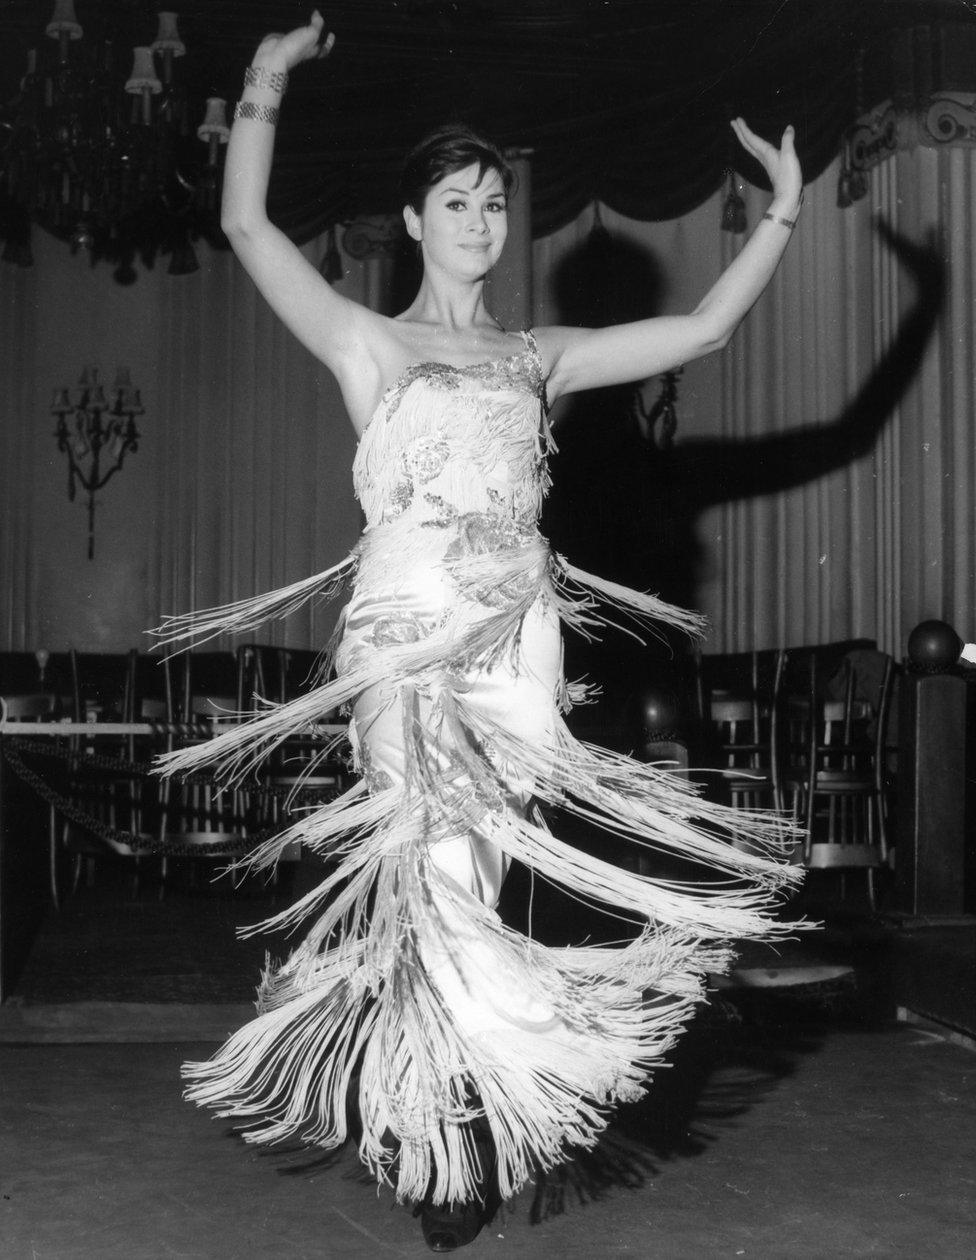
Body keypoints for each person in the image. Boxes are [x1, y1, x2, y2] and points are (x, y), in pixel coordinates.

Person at [153, 10, 805, 1252]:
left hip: (521, 635)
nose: (478, 220)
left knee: (484, 877)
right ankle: (440, 1126)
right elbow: (243, 226)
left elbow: (702, 332)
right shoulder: (368, 340)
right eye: (454, 201)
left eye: (492, 203)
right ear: (411, 221)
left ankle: (450, 1100)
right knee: (435, 871)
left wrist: (775, 209)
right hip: (406, 629)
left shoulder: (535, 356)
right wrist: (263, 85)